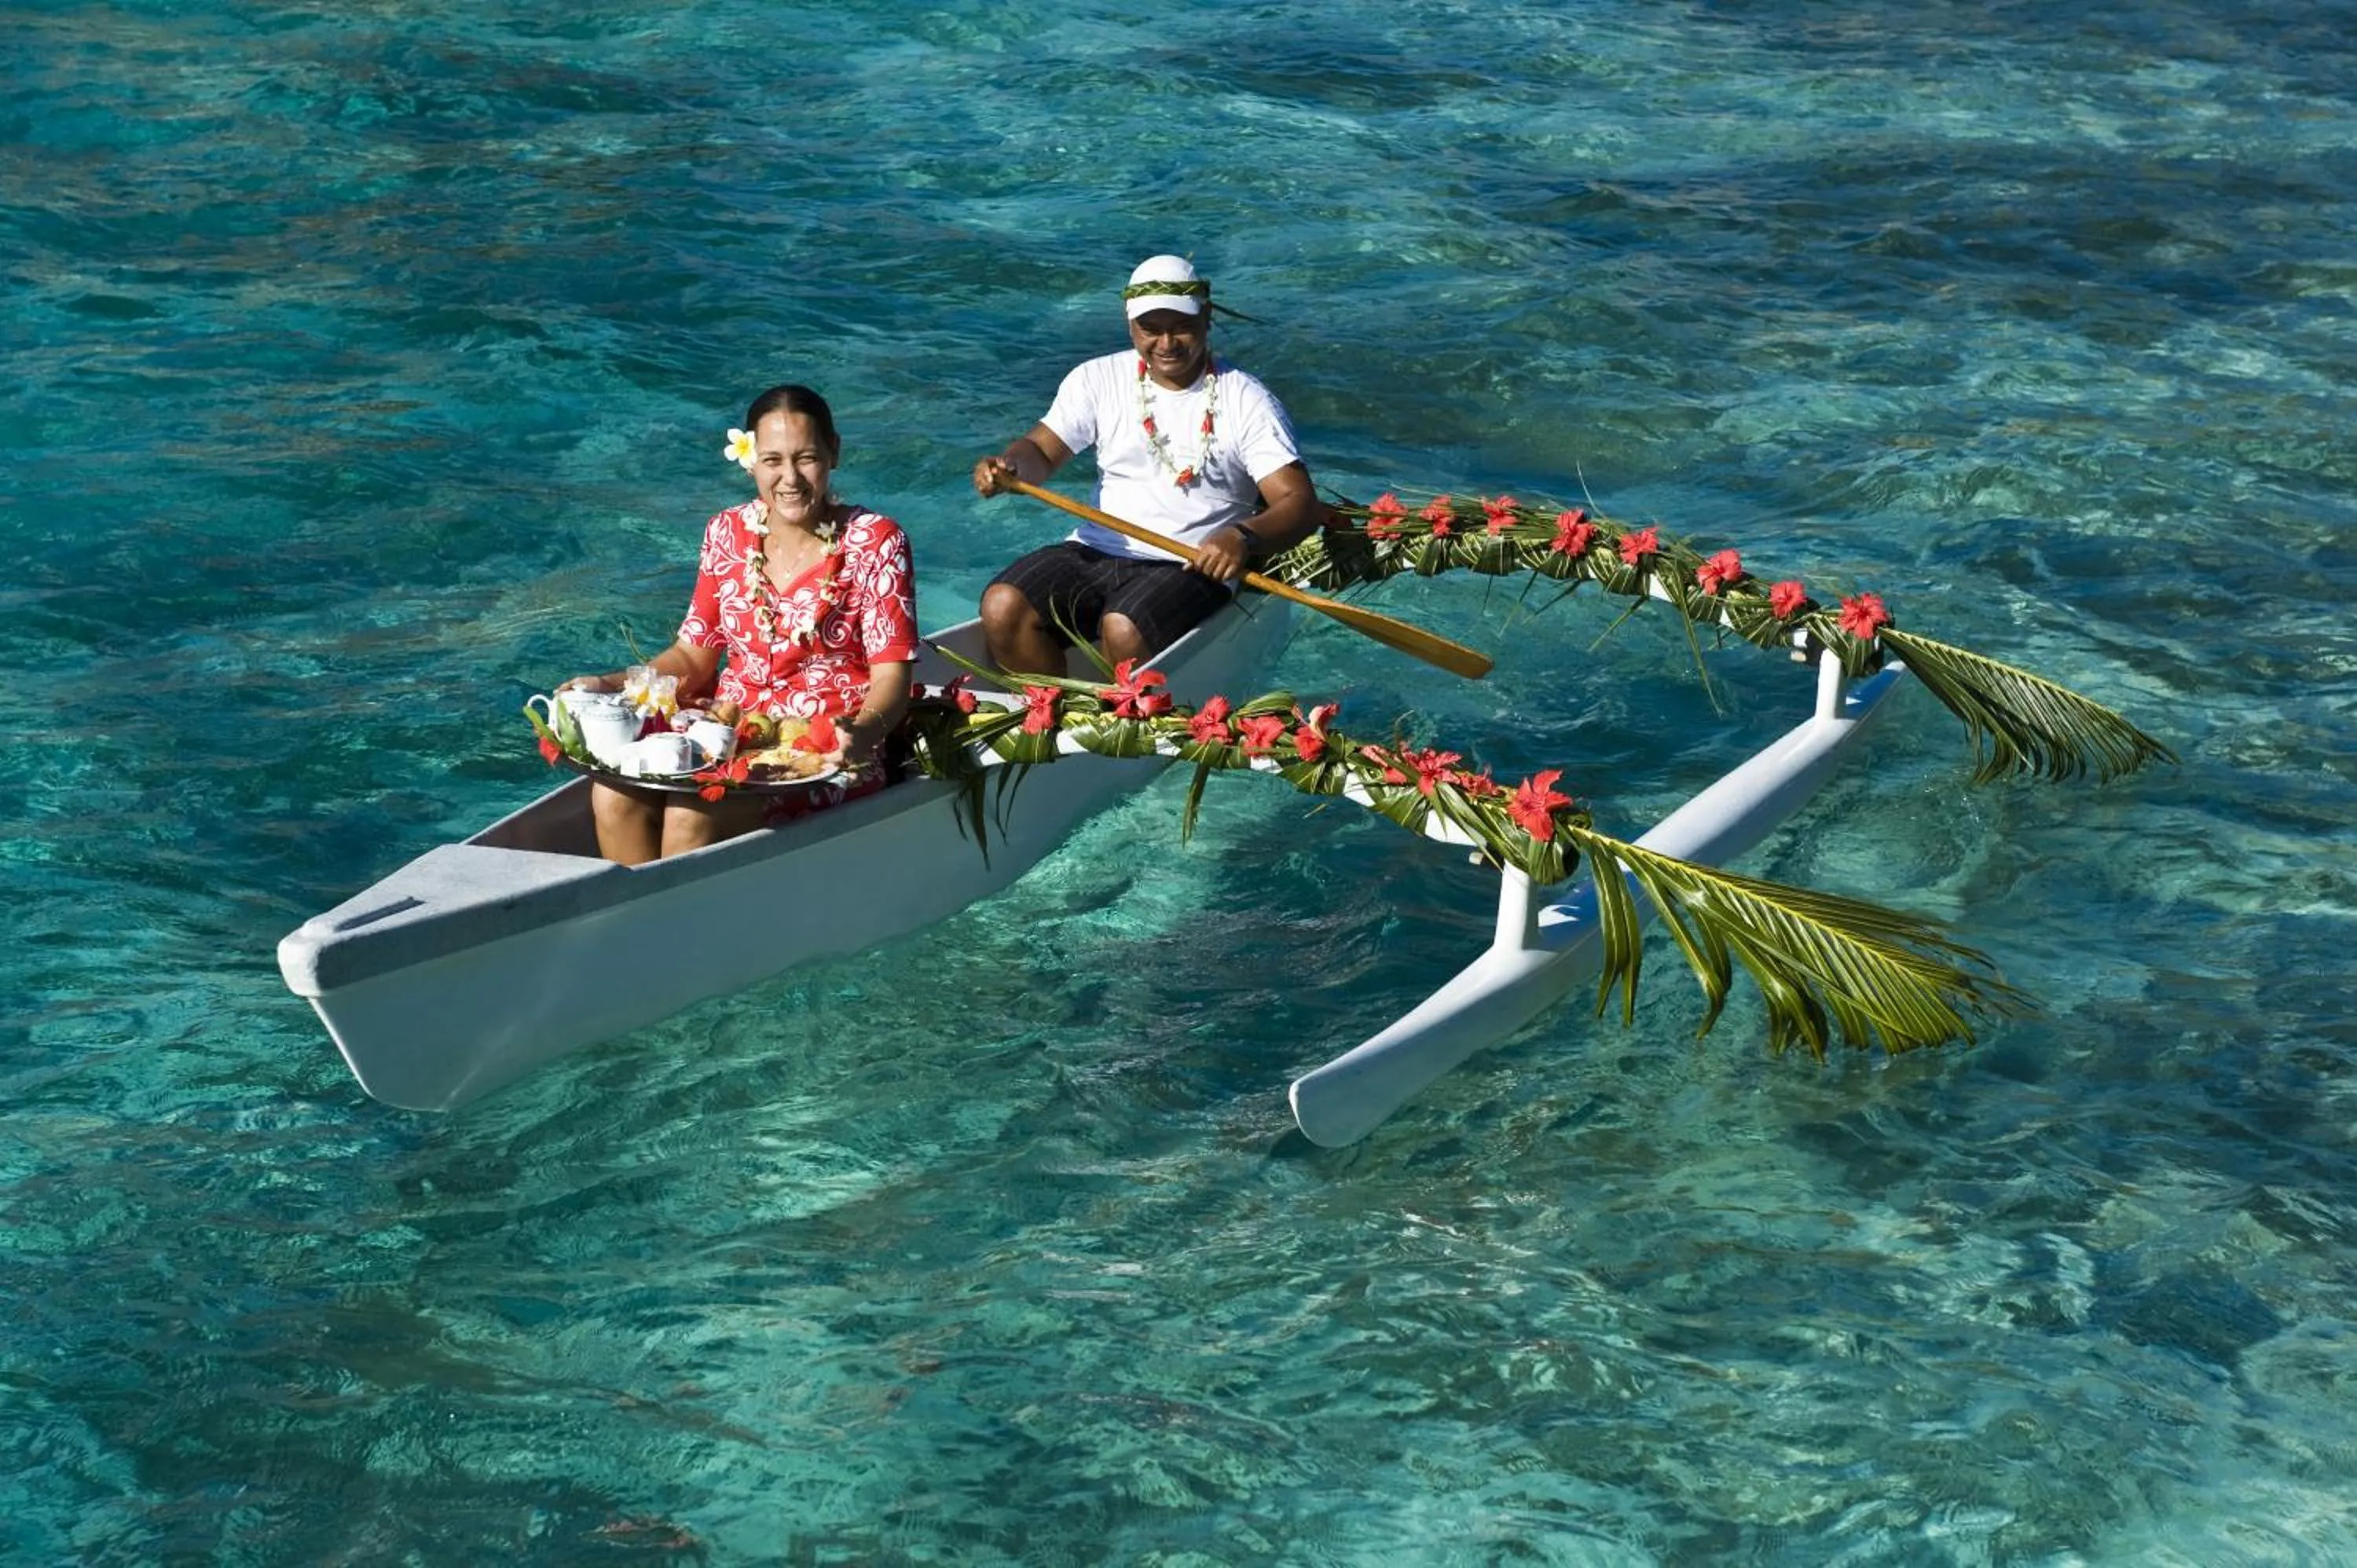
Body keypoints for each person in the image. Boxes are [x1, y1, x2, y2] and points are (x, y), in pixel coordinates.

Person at [562, 384, 918, 865]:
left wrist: (863, 732)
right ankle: (648, 913)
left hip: (825, 750)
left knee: (690, 815)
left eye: (807, 458)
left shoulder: (876, 542)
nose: (790, 478)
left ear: (834, 452)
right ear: (750, 460)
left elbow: (892, 677)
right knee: (613, 797)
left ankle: (685, 910)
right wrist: (608, 686)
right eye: (772, 461)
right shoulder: (726, 532)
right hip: (725, 733)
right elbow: (693, 657)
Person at [970, 255, 1324, 677]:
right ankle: (1055, 707)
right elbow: (1041, 453)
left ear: (1206, 317)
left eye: (1181, 327)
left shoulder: (1249, 401)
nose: (1167, 343)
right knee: (1002, 606)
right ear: (1130, 325)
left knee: (1123, 628)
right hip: (1096, 549)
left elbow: (1299, 503)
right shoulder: (1096, 378)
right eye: (1151, 329)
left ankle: (1128, 708)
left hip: (1191, 562)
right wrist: (1010, 467)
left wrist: (1241, 538)